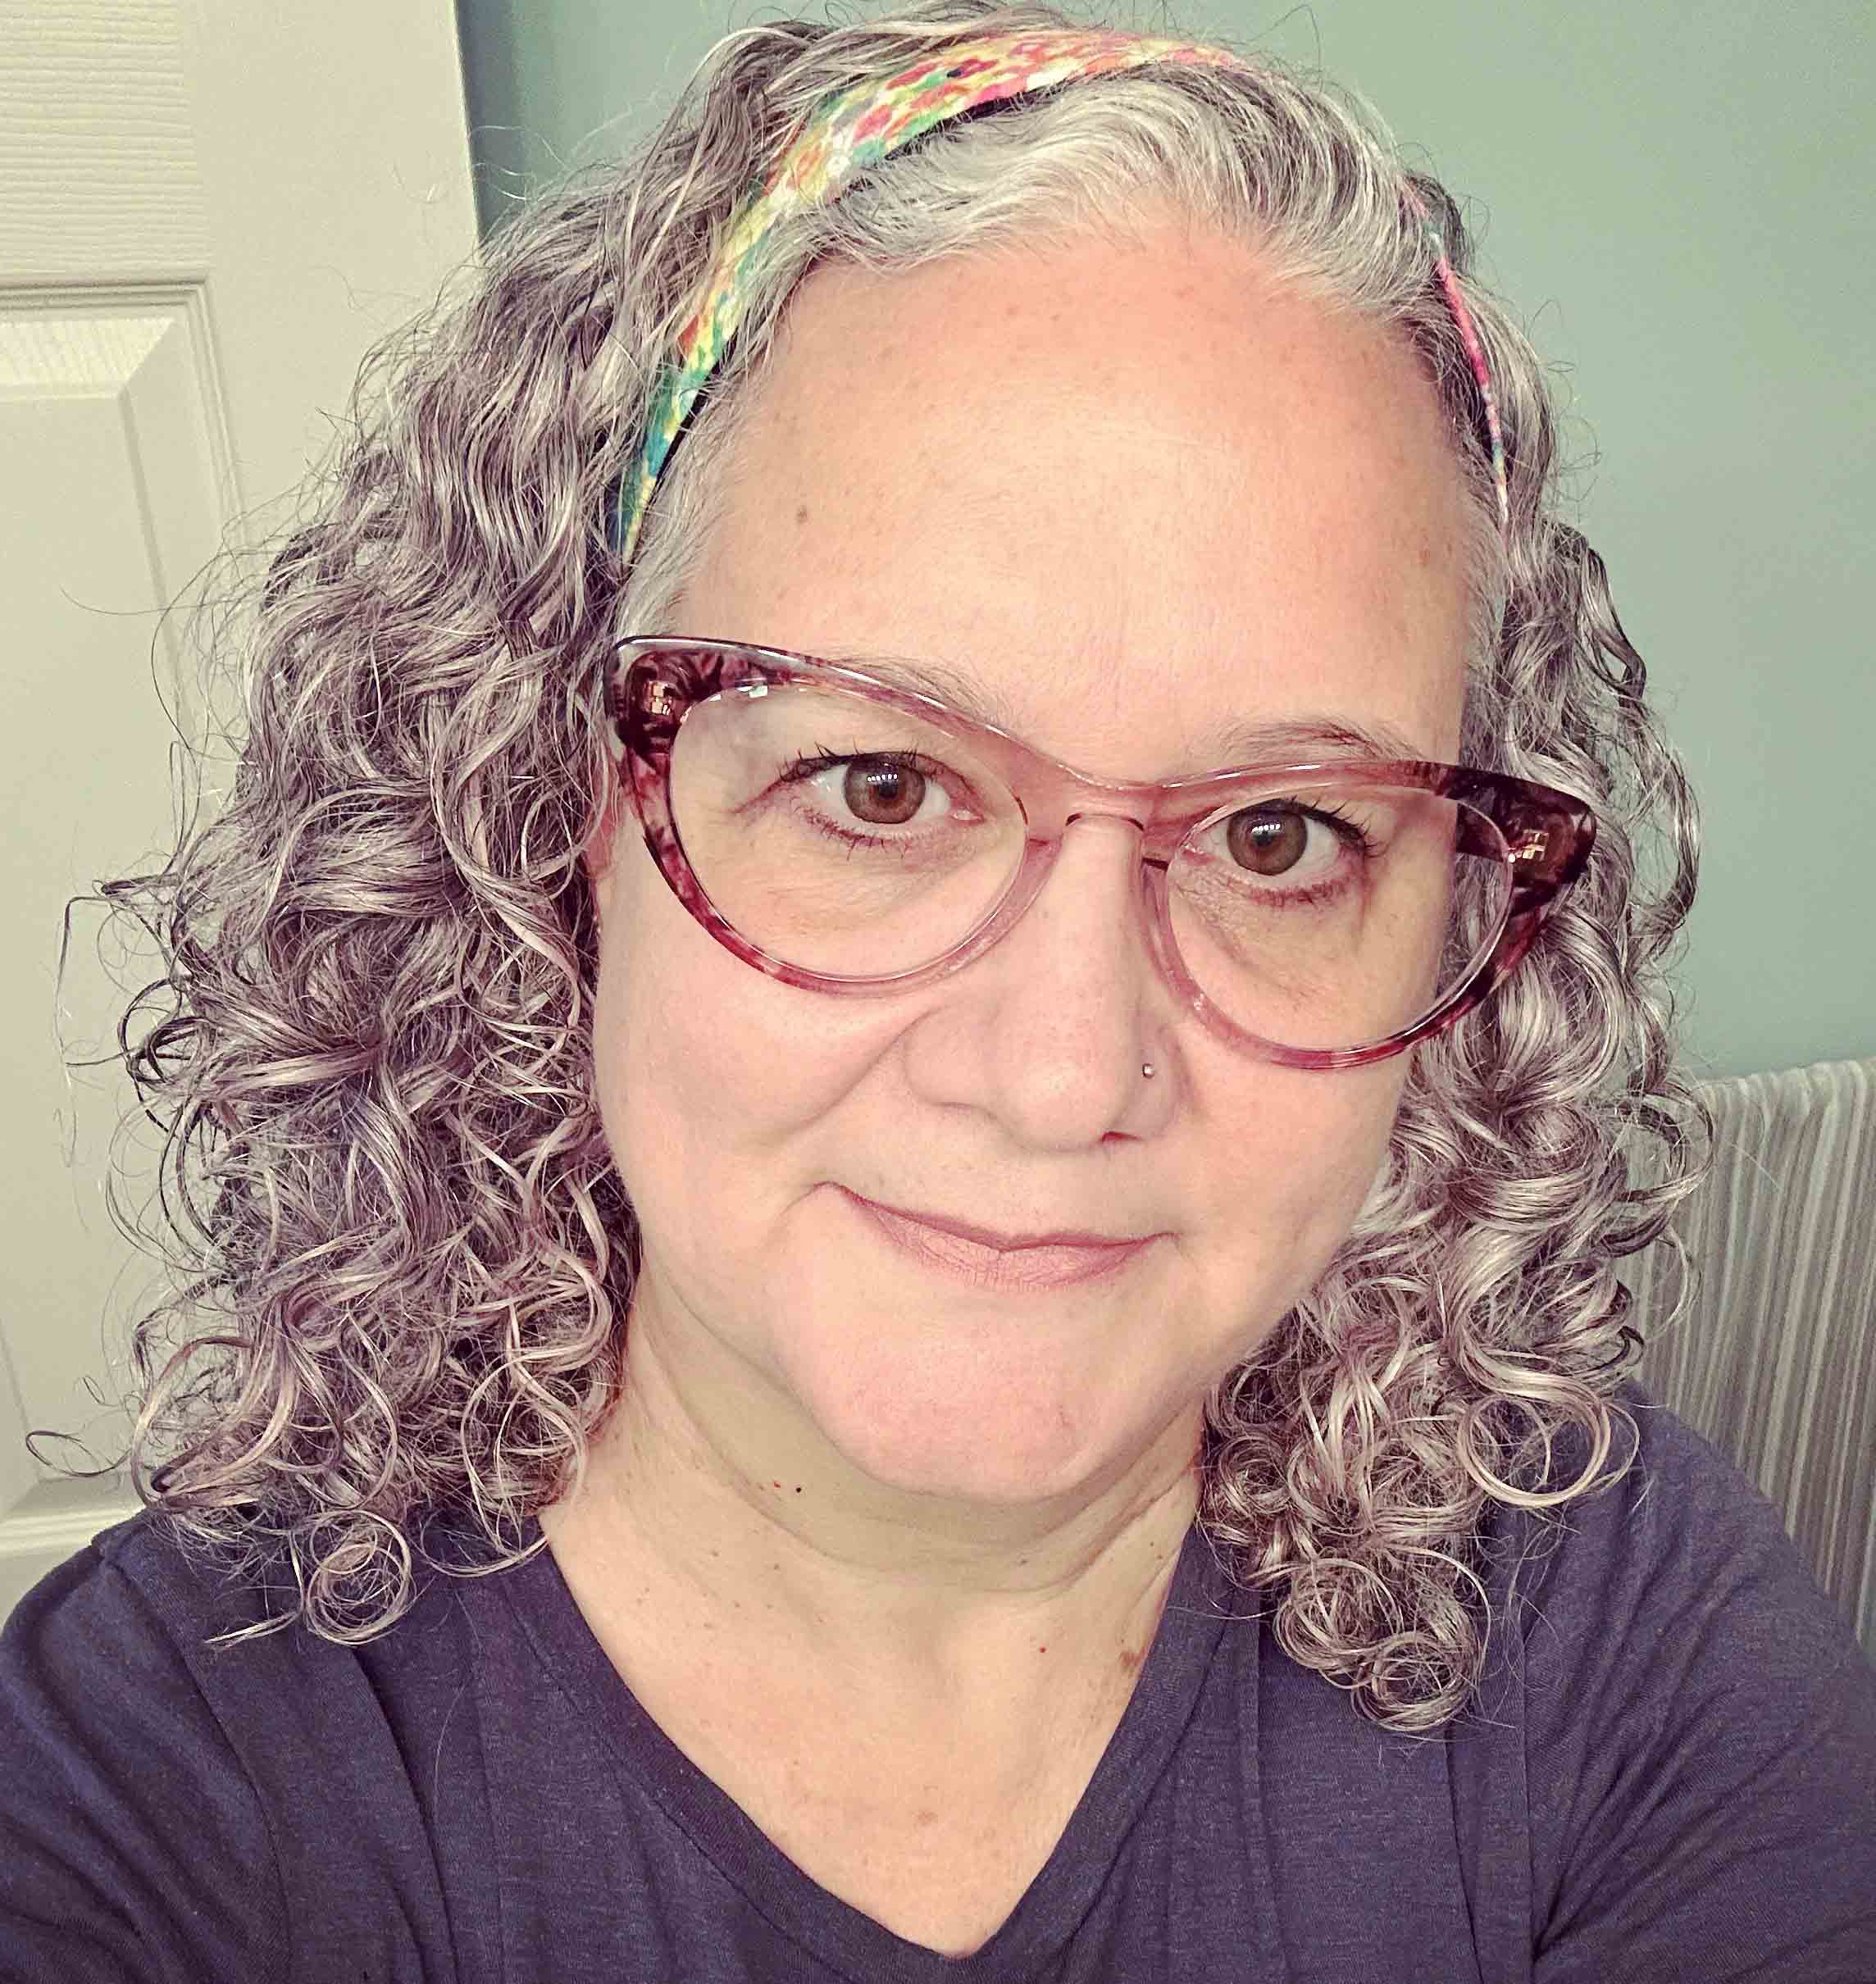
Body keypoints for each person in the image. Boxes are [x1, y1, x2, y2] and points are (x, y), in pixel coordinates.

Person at [4, 4, 1873, 1978]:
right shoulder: (166, 1770)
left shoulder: (1621, 1634)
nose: (1062, 1073)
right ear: (557, 816)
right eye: (877, 788)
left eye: (1279, 837)